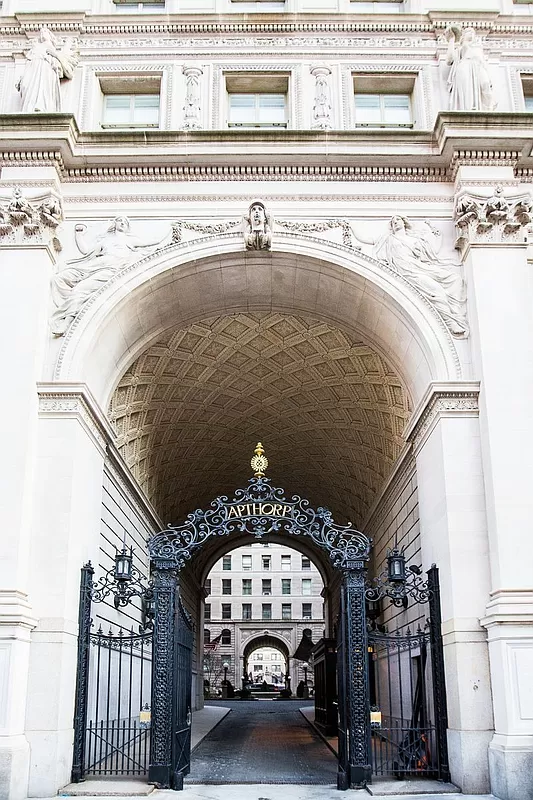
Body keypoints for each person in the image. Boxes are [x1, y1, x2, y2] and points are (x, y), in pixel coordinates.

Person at [51, 216, 168, 335]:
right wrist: (79, 234)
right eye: (120, 221)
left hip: (111, 269)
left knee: (79, 289)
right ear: (114, 223)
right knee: (58, 278)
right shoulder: (105, 240)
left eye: (125, 222)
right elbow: (86, 251)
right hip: (95, 265)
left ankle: (68, 320)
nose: (122, 223)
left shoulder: (129, 240)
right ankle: (76, 307)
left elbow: (153, 242)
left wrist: (171, 229)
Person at [373, 216, 468, 337]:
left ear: (404, 222)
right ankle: (450, 322)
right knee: (437, 290)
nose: (395, 222)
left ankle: (456, 313)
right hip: (407, 272)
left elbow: (433, 251)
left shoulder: (414, 240)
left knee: (455, 279)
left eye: (398, 220)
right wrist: (350, 227)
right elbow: (370, 240)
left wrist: (437, 234)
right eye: (393, 222)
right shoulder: (389, 239)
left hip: (418, 267)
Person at [17, 27, 77, 114]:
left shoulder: (51, 49)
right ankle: (29, 107)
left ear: (51, 36)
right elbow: (29, 64)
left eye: (45, 31)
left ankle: (41, 107)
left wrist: (55, 55)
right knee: (25, 85)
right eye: (41, 32)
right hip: (33, 71)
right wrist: (22, 78)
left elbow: (67, 71)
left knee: (43, 89)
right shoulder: (35, 48)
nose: (42, 33)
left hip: (45, 70)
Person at [446, 26, 495, 112]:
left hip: (478, 67)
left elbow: (483, 63)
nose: (472, 34)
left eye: (473, 33)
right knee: (467, 93)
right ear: (463, 36)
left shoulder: (478, 48)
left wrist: (489, 76)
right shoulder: (460, 49)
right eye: (469, 32)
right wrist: (451, 40)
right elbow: (449, 60)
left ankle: (489, 108)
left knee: (485, 83)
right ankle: (468, 111)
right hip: (464, 67)